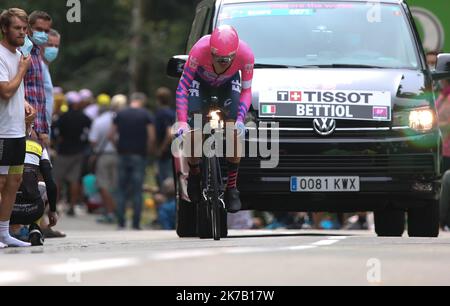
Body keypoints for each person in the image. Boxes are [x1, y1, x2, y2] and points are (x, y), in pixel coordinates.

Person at [175, 25, 254, 213]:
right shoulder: (199, 51)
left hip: (228, 84)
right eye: (217, 58)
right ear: (210, 51)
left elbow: (246, 90)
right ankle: (194, 174)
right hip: (199, 84)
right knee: (193, 131)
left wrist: (241, 119)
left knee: (233, 128)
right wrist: (183, 122)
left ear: (235, 54)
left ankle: (232, 188)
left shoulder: (246, 55)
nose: (221, 63)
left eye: (226, 60)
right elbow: (182, 88)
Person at [0, 8, 35, 248]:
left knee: (14, 181)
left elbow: (14, 92)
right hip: (2, 130)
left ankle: (4, 233)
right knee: (1, 182)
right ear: (4, 29)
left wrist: (24, 103)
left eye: (24, 29)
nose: (22, 33)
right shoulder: (2, 55)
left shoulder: (18, 54)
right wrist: (23, 69)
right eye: (17, 28)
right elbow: (5, 90)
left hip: (17, 129)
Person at [110, 93, 156, 230]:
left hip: (123, 154)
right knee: (137, 190)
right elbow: (152, 137)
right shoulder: (146, 115)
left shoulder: (120, 114)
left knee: (122, 189)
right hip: (139, 155)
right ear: (142, 101)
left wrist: (118, 147)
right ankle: (136, 223)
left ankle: (121, 222)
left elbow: (110, 135)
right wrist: (148, 152)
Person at [10, 127, 58, 246]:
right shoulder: (39, 146)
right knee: (42, 185)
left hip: (8, 211)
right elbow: (51, 185)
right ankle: (34, 226)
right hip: (33, 211)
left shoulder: (4, 143)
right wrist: (52, 211)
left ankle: (8, 230)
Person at [88, 94, 127, 224]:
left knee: (103, 185)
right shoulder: (124, 119)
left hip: (103, 155)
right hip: (119, 155)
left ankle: (110, 212)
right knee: (116, 185)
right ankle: (118, 211)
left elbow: (93, 141)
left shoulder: (99, 120)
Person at [53, 91, 91, 217]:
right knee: (74, 180)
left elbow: (55, 131)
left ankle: (56, 205)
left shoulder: (62, 117)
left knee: (57, 179)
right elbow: (89, 130)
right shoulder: (83, 117)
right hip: (78, 152)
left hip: (63, 151)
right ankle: (72, 206)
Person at [24, 11, 52, 146]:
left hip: (38, 128)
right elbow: (19, 93)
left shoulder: (37, 53)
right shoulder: (22, 51)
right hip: (25, 126)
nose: (43, 34)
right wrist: (30, 128)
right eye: (39, 29)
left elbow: (39, 96)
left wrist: (43, 130)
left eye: (46, 31)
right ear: (28, 28)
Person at [154, 87, 176, 186]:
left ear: (158, 99)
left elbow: (169, 133)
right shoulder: (172, 112)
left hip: (165, 153)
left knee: (165, 181)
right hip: (174, 151)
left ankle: (168, 201)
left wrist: (161, 149)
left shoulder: (162, 114)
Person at [41, 29, 60, 139]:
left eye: (56, 46)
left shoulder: (45, 67)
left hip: (45, 129)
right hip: (38, 130)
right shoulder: (39, 66)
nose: (53, 49)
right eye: (50, 45)